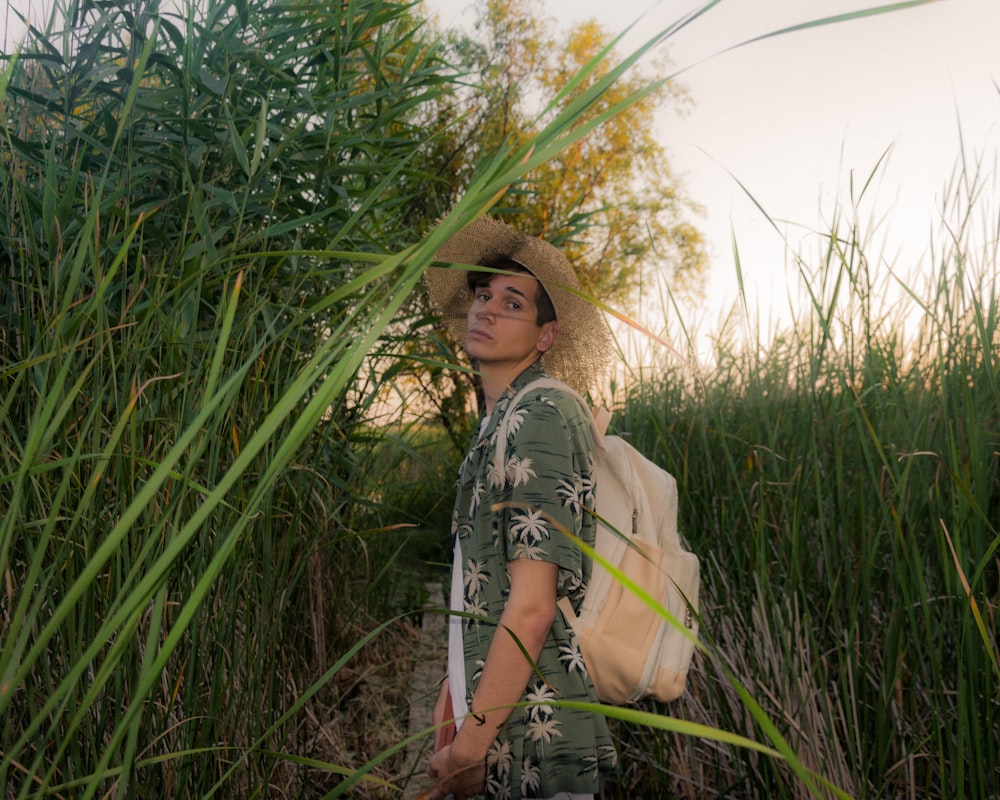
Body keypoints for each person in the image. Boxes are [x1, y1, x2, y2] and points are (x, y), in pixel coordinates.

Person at [423, 216, 618, 800]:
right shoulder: (498, 423)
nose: (486, 309)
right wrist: (452, 694)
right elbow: (485, 588)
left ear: (545, 337)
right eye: (483, 295)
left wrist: (467, 750)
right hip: (497, 716)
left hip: (533, 739)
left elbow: (533, 607)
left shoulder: (540, 416)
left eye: (512, 303)